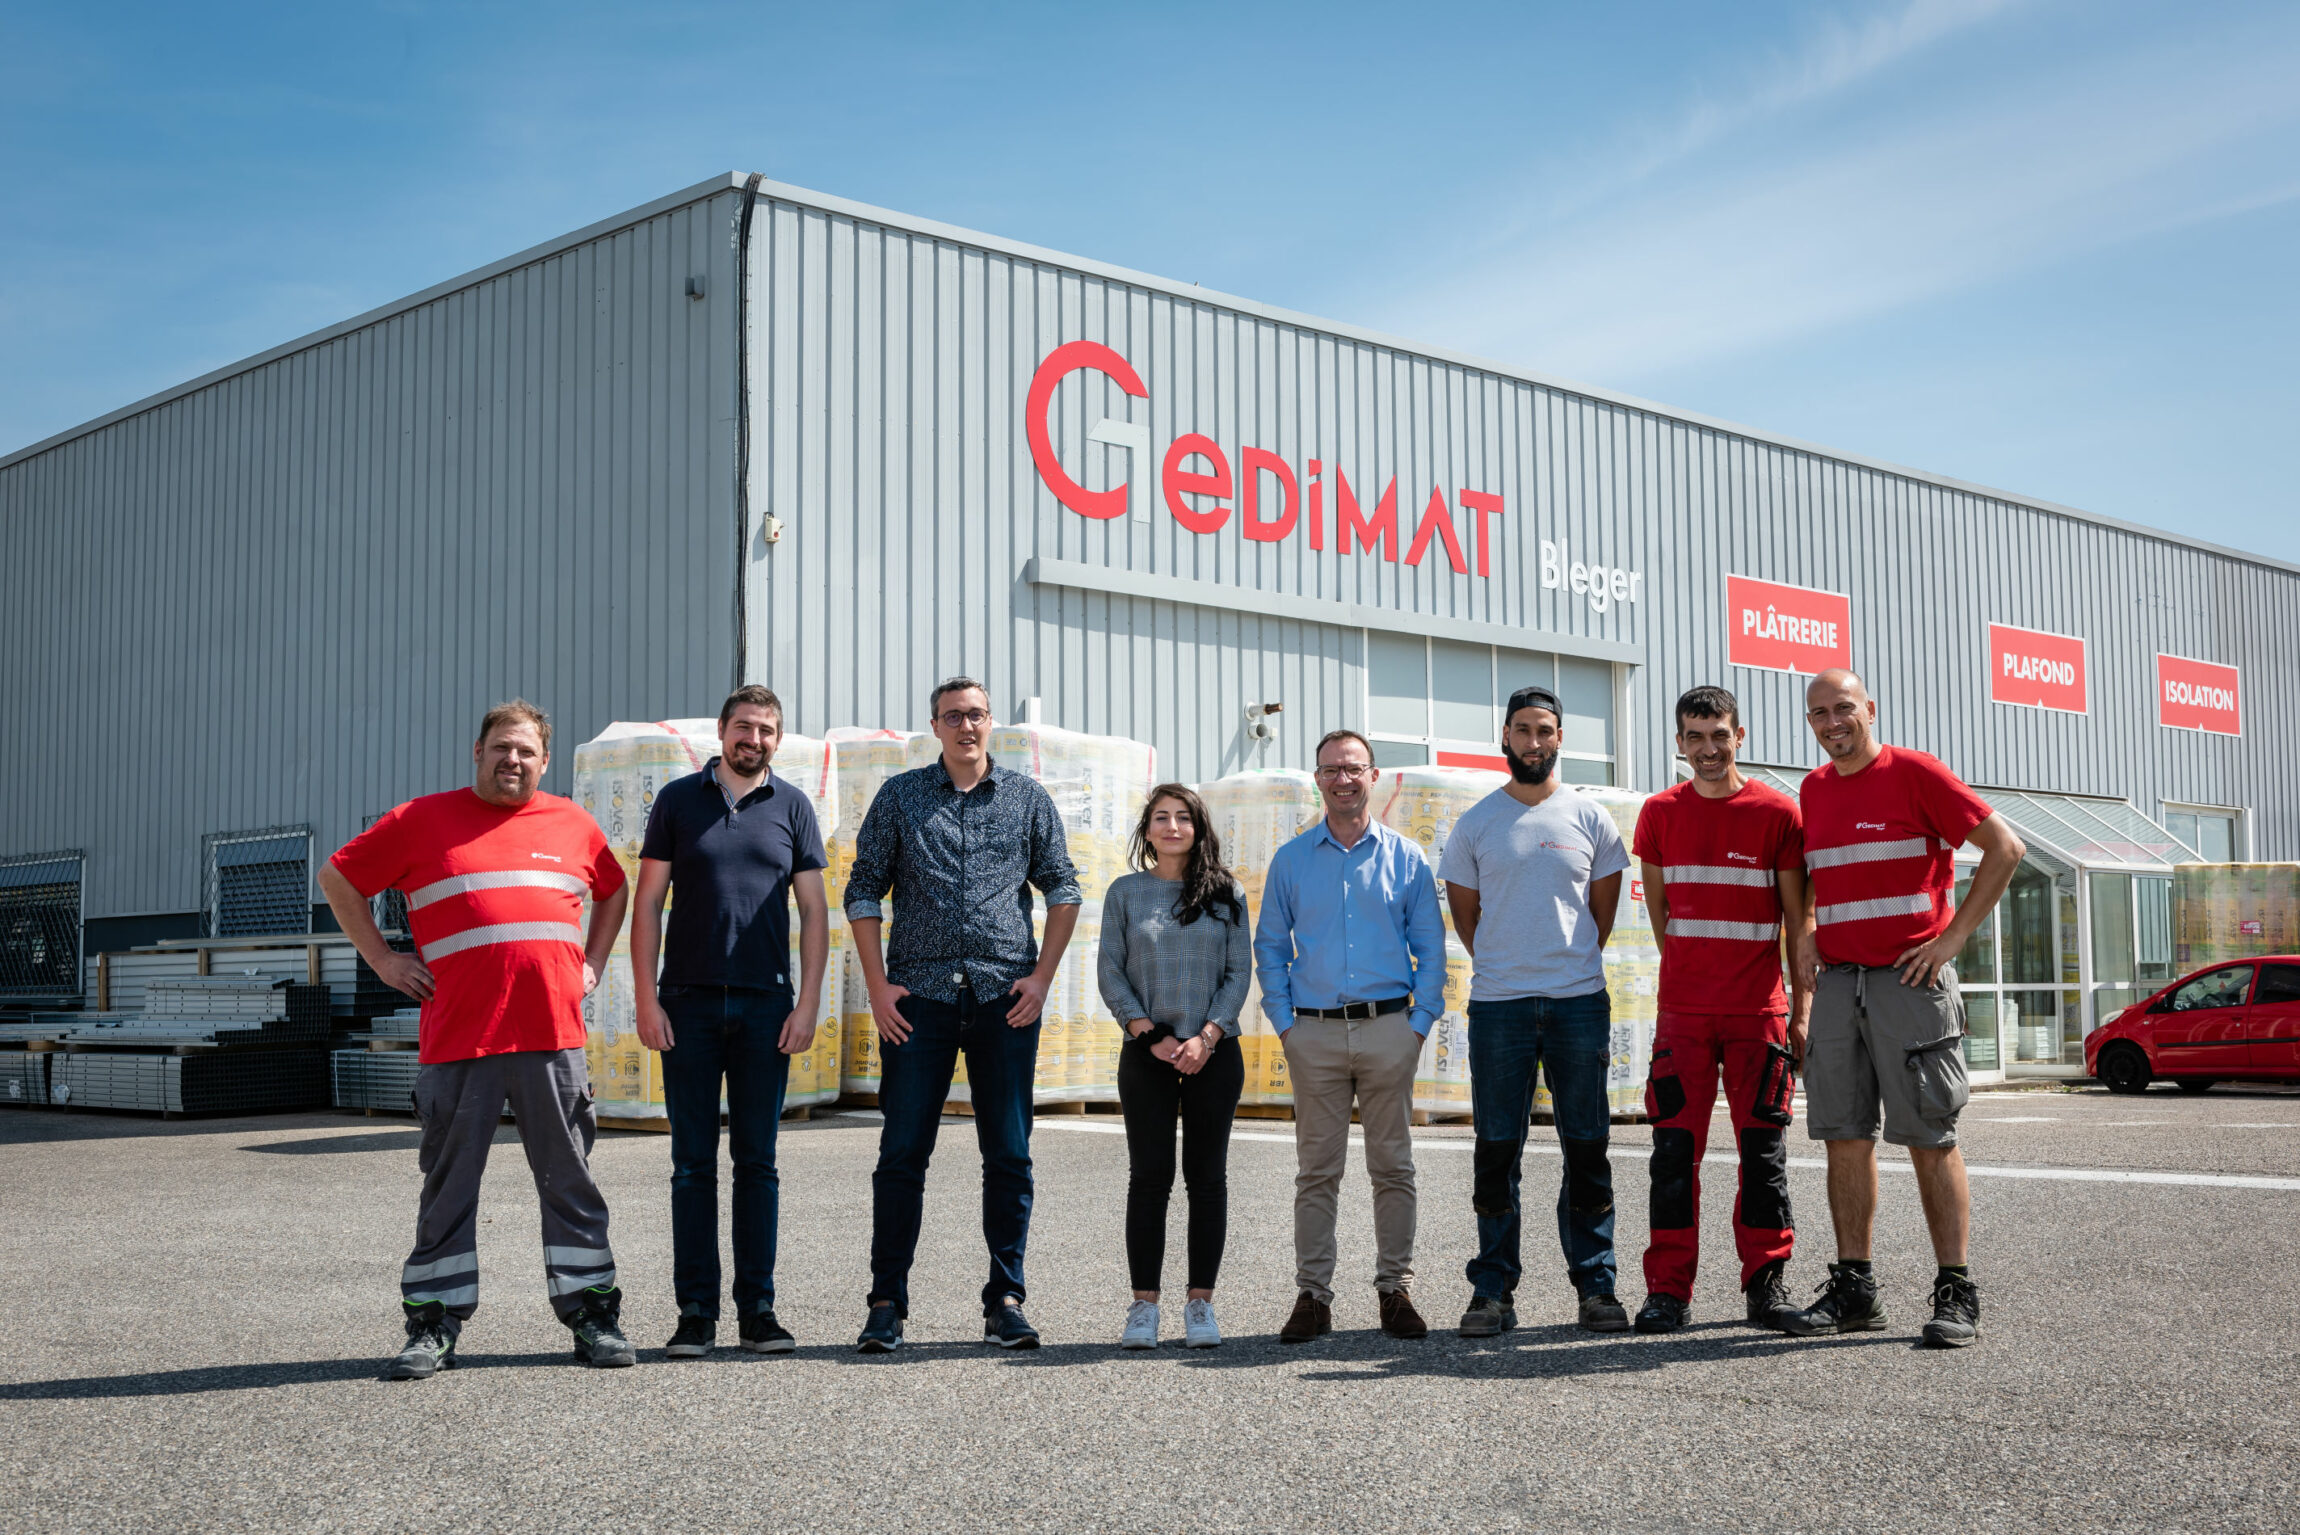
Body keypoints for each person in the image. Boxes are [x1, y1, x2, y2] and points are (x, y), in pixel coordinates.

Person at [320, 700, 635, 1378]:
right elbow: (338, 878)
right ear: (477, 751)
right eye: (501, 747)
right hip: (460, 1040)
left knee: (571, 1182)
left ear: (544, 762)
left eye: (525, 751)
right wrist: (382, 960)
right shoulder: (420, 821)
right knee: (448, 1187)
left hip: (553, 1039)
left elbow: (615, 890)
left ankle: (592, 1315)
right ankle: (432, 1323)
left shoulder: (572, 825)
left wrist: (594, 962)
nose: (512, 759)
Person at [1784, 668, 2024, 1348]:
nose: (1832, 722)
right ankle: (1855, 1288)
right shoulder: (1812, 789)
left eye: (1843, 708)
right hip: (1839, 985)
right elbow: (1809, 881)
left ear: (1870, 709)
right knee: (1843, 1137)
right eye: (1819, 712)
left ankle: (1956, 1289)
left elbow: (2006, 848)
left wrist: (1950, 941)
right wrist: (1804, 936)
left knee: (1929, 1135)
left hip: (1910, 982)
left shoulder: (1917, 772)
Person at [844, 677, 1082, 1353]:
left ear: (990, 722)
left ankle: (1005, 1299)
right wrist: (878, 985)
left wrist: (1041, 977)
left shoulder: (1027, 800)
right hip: (917, 1000)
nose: (966, 726)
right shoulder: (900, 797)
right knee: (901, 1154)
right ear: (935, 725)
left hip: (1006, 999)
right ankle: (886, 1301)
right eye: (954, 716)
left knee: (1008, 1153)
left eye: (976, 714)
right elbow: (862, 889)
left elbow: (1063, 886)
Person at [630, 685, 829, 1359]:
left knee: (758, 1162)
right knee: (691, 1164)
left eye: (768, 729)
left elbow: (814, 913)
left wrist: (807, 1003)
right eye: (745, 726)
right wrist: (645, 998)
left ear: (778, 738)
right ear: (721, 732)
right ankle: (695, 1313)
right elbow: (648, 902)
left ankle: (758, 1311)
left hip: (766, 1005)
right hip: (685, 1003)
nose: (756, 738)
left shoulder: (794, 806)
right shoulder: (677, 801)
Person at [1439, 686, 1632, 1338]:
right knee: (1497, 1149)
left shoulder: (1590, 818)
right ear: (1505, 738)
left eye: (1544, 729)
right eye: (1522, 728)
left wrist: (1562, 963)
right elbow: (1466, 918)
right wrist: (1510, 963)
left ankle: (1597, 1285)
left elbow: (1600, 917)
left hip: (1579, 1002)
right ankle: (1492, 1288)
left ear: (1558, 738)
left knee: (1588, 1146)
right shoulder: (1476, 824)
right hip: (1500, 1007)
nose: (1533, 740)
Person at [1629, 686, 1813, 1335]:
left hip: (1757, 1014)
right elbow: (1661, 915)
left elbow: (1799, 920)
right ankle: (1667, 1292)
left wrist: (1801, 1006)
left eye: (1720, 735)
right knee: (1673, 1153)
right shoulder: (1658, 812)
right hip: (1682, 1013)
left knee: (1763, 1155)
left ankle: (1766, 1284)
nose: (1709, 749)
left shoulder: (1777, 813)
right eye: (1696, 737)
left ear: (1741, 735)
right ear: (1680, 743)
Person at [1254, 729, 1446, 1345]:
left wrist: (1418, 1023)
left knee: (1393, 1166)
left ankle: (1396, 1289)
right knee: (1317, 1171)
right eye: (1332, 769)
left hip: (1391, 1029)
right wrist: (1284, 1023)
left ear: (1374, 776)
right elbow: (1269, 947)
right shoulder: (1291, 861)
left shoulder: (1407, 858)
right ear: (1318, 779)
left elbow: (1432, 949)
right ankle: (1313, 1296)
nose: (1344, 778)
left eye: (1354, 768)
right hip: (1313, 1034)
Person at [1098, 784, 1251, 1350]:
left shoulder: (1225, 892)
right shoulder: (1126, 893)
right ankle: (1144, 1307)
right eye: (1160, 817)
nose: (1171, 826)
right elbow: (1111, 971)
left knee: (1207, 1180)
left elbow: (1239, 973)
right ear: (1147, 830)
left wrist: (1207, 1036)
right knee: (1150, 1178)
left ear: (1198, 828)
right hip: (1148, 1054)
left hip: (1214, 1052)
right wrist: (1149, 1034)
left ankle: (1200, 1305)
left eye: (1182, 817)